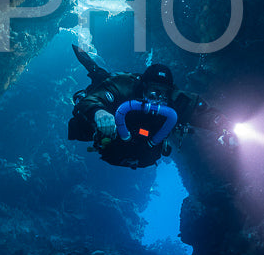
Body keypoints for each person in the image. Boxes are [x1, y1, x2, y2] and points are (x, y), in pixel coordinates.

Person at [67, 45, 235, 169]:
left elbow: (202, 112)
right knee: (82, 117)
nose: (157, 97)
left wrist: (223, 126)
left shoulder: (176, 100)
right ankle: (94, 69)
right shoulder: (124, 87)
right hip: (113, 138)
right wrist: (99, 112)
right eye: (153, 91)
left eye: (162, 92)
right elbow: (93, 99)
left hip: (145, 152)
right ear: (143, 86)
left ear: (170, 91)